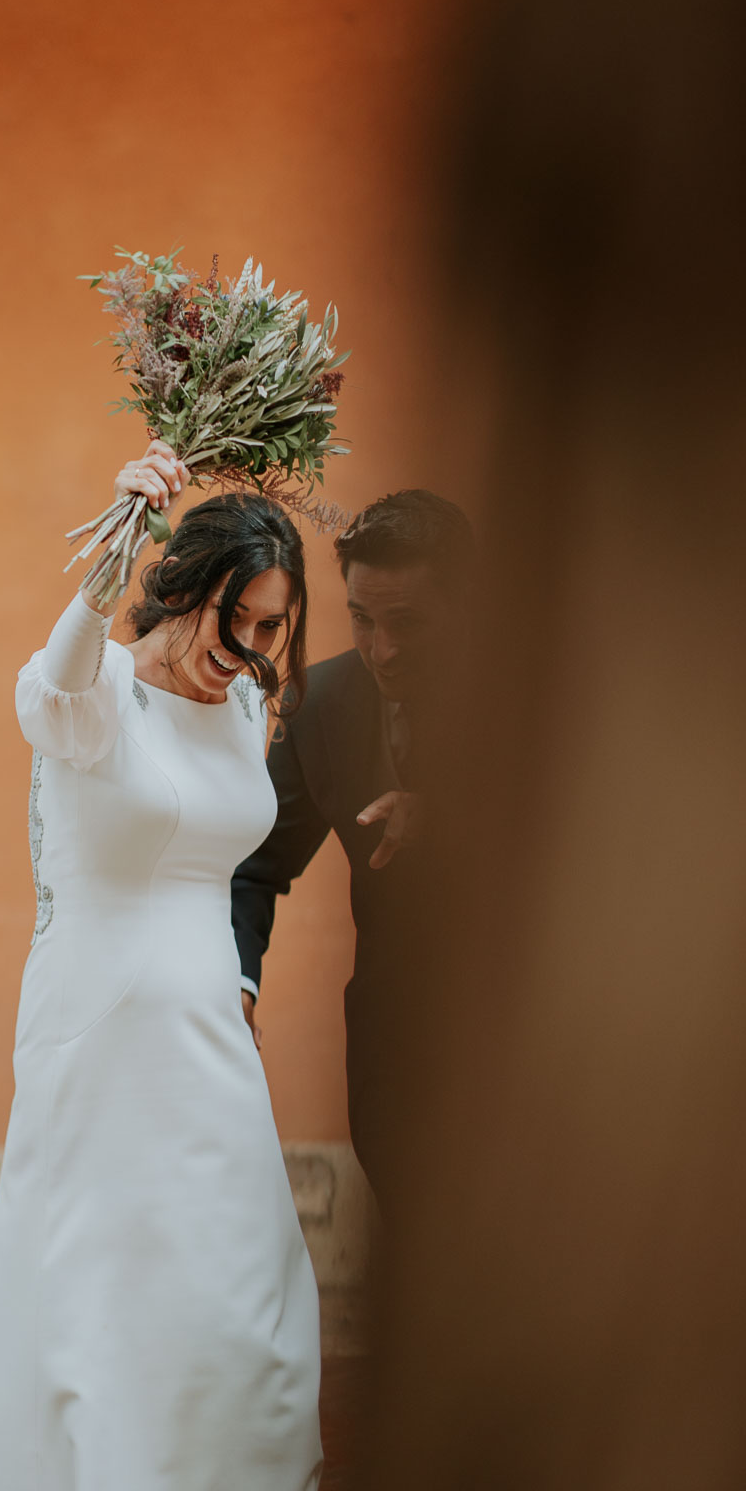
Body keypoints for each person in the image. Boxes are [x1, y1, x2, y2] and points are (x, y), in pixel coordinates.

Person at [0, 440, 323, 1491]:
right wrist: (113, 537)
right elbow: (56, 676)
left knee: (243, 1322)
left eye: (274, 628)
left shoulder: (240, 706)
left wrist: (239, 980)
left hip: (208, 1045)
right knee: (103, 1312)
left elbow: (232, 870)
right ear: (183, 589)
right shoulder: (95, 695)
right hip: (101, 1041)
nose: (254, 651)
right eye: (240, 621)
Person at [230, 488, 475, 1193]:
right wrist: (236, 983)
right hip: (394, 1047)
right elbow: (253, 863)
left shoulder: (548, 692)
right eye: (362, 620)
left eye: (409, 622)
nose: (382, 649)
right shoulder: (321, 701)